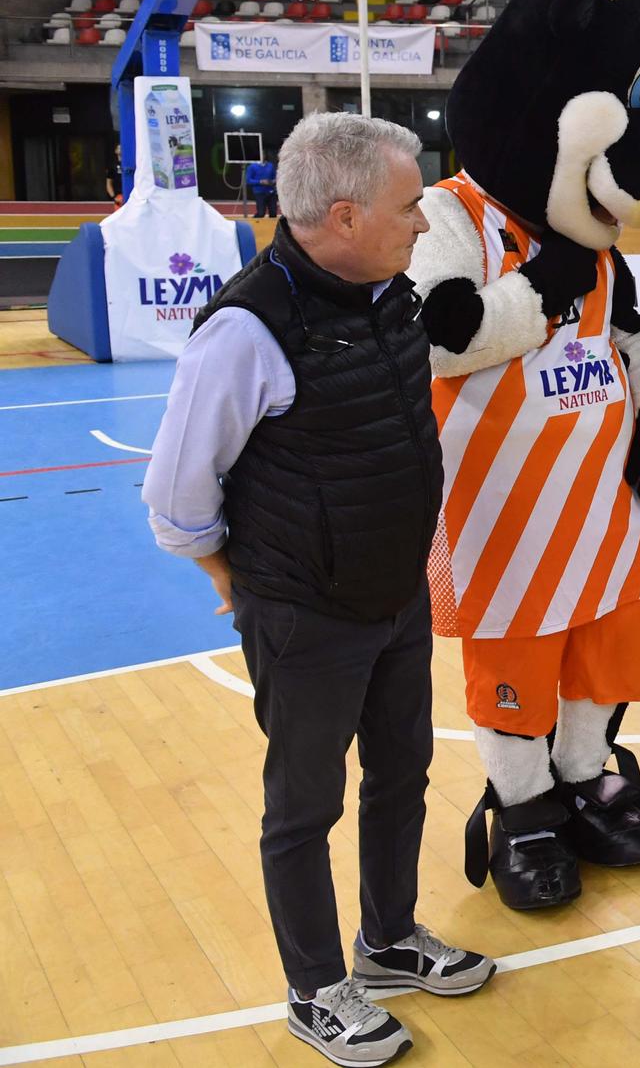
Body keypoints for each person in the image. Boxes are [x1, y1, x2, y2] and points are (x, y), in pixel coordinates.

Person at [142, 113, 491, 1066]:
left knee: (402, 771)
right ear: (342, 216)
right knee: (303, 807)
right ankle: (314, 987)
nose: (424, 220)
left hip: (394, 596)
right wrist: (234, 575)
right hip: (306, 612)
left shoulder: (387, 291)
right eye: (409, 203)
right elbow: (175, 495)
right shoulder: (246, 330)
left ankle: (387, 940)